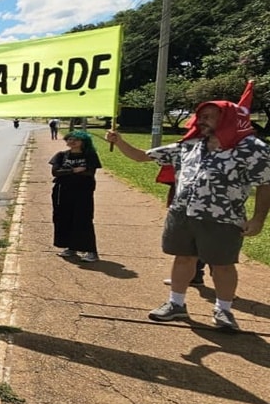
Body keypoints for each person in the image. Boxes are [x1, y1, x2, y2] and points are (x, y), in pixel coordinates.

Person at [106, 100, 270, 329]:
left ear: (226, 118)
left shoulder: (250, 148)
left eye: (209, 116)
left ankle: (223, 311)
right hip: (183, 214)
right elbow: (142, 156)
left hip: (223, 218)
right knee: (183, 258)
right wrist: (119, 141)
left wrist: (258, 219)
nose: (201, 121)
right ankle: (176, 305)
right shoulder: (190, 144)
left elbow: (266, 182)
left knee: (223, 265)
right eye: (200, 116)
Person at [50, 129, 101, 262]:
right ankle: (70, 247)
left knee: (83, 219)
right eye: (69, 139)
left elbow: (90, 172)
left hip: (83, 192)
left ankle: (91, 251)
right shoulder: (61, 155)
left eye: (75, 139)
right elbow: (55, 172)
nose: (71, 142)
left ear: (83, 142)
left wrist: (68, 171)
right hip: (62, 191)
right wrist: (74, 170)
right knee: (63, 218)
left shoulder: (90, 155)